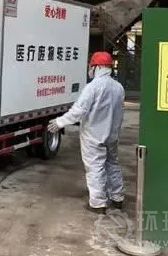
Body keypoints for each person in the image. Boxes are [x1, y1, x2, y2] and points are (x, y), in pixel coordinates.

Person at [47, 51, 125, 214]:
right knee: (112, 164)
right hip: (112, 135)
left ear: (97, 67)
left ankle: (98, 203)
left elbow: (79, 110)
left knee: (95, 168)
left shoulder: (92, 88)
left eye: (91, 66)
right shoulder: (118, 87)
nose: (90, 69)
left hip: (94, 136)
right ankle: (117, 197)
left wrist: (59, 122)